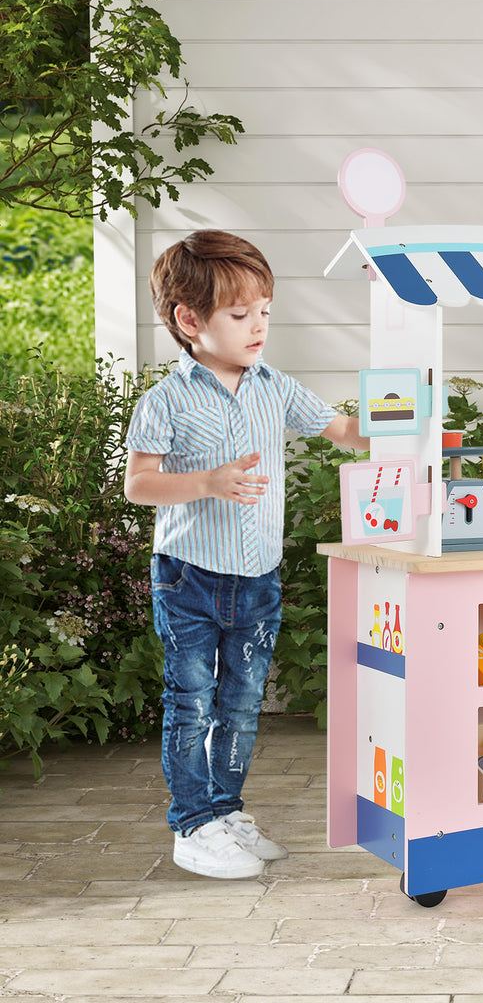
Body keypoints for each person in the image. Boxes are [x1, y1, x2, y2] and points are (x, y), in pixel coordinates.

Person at [125, 230, 368, 879]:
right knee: (192, 703)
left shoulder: (274, 386)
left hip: (258, 579)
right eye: (240, 315)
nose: (259, 325)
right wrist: (208, 482)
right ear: (189, 321)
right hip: (189, 578)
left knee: (241, 703)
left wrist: (409, 423)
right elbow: (138, 484)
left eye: (264, 311)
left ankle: (226, 811)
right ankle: (192, 824)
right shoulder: (165, 400)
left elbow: (344, 430)